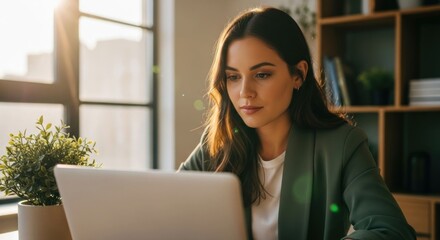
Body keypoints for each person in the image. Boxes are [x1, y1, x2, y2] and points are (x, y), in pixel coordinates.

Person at [178, 6, 416, 240]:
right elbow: (171, 208)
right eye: (233, 77)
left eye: (262, 75)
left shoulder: (342, 144)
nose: (244, 92)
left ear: (298, 75)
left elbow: (391, 230)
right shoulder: (218, 144)